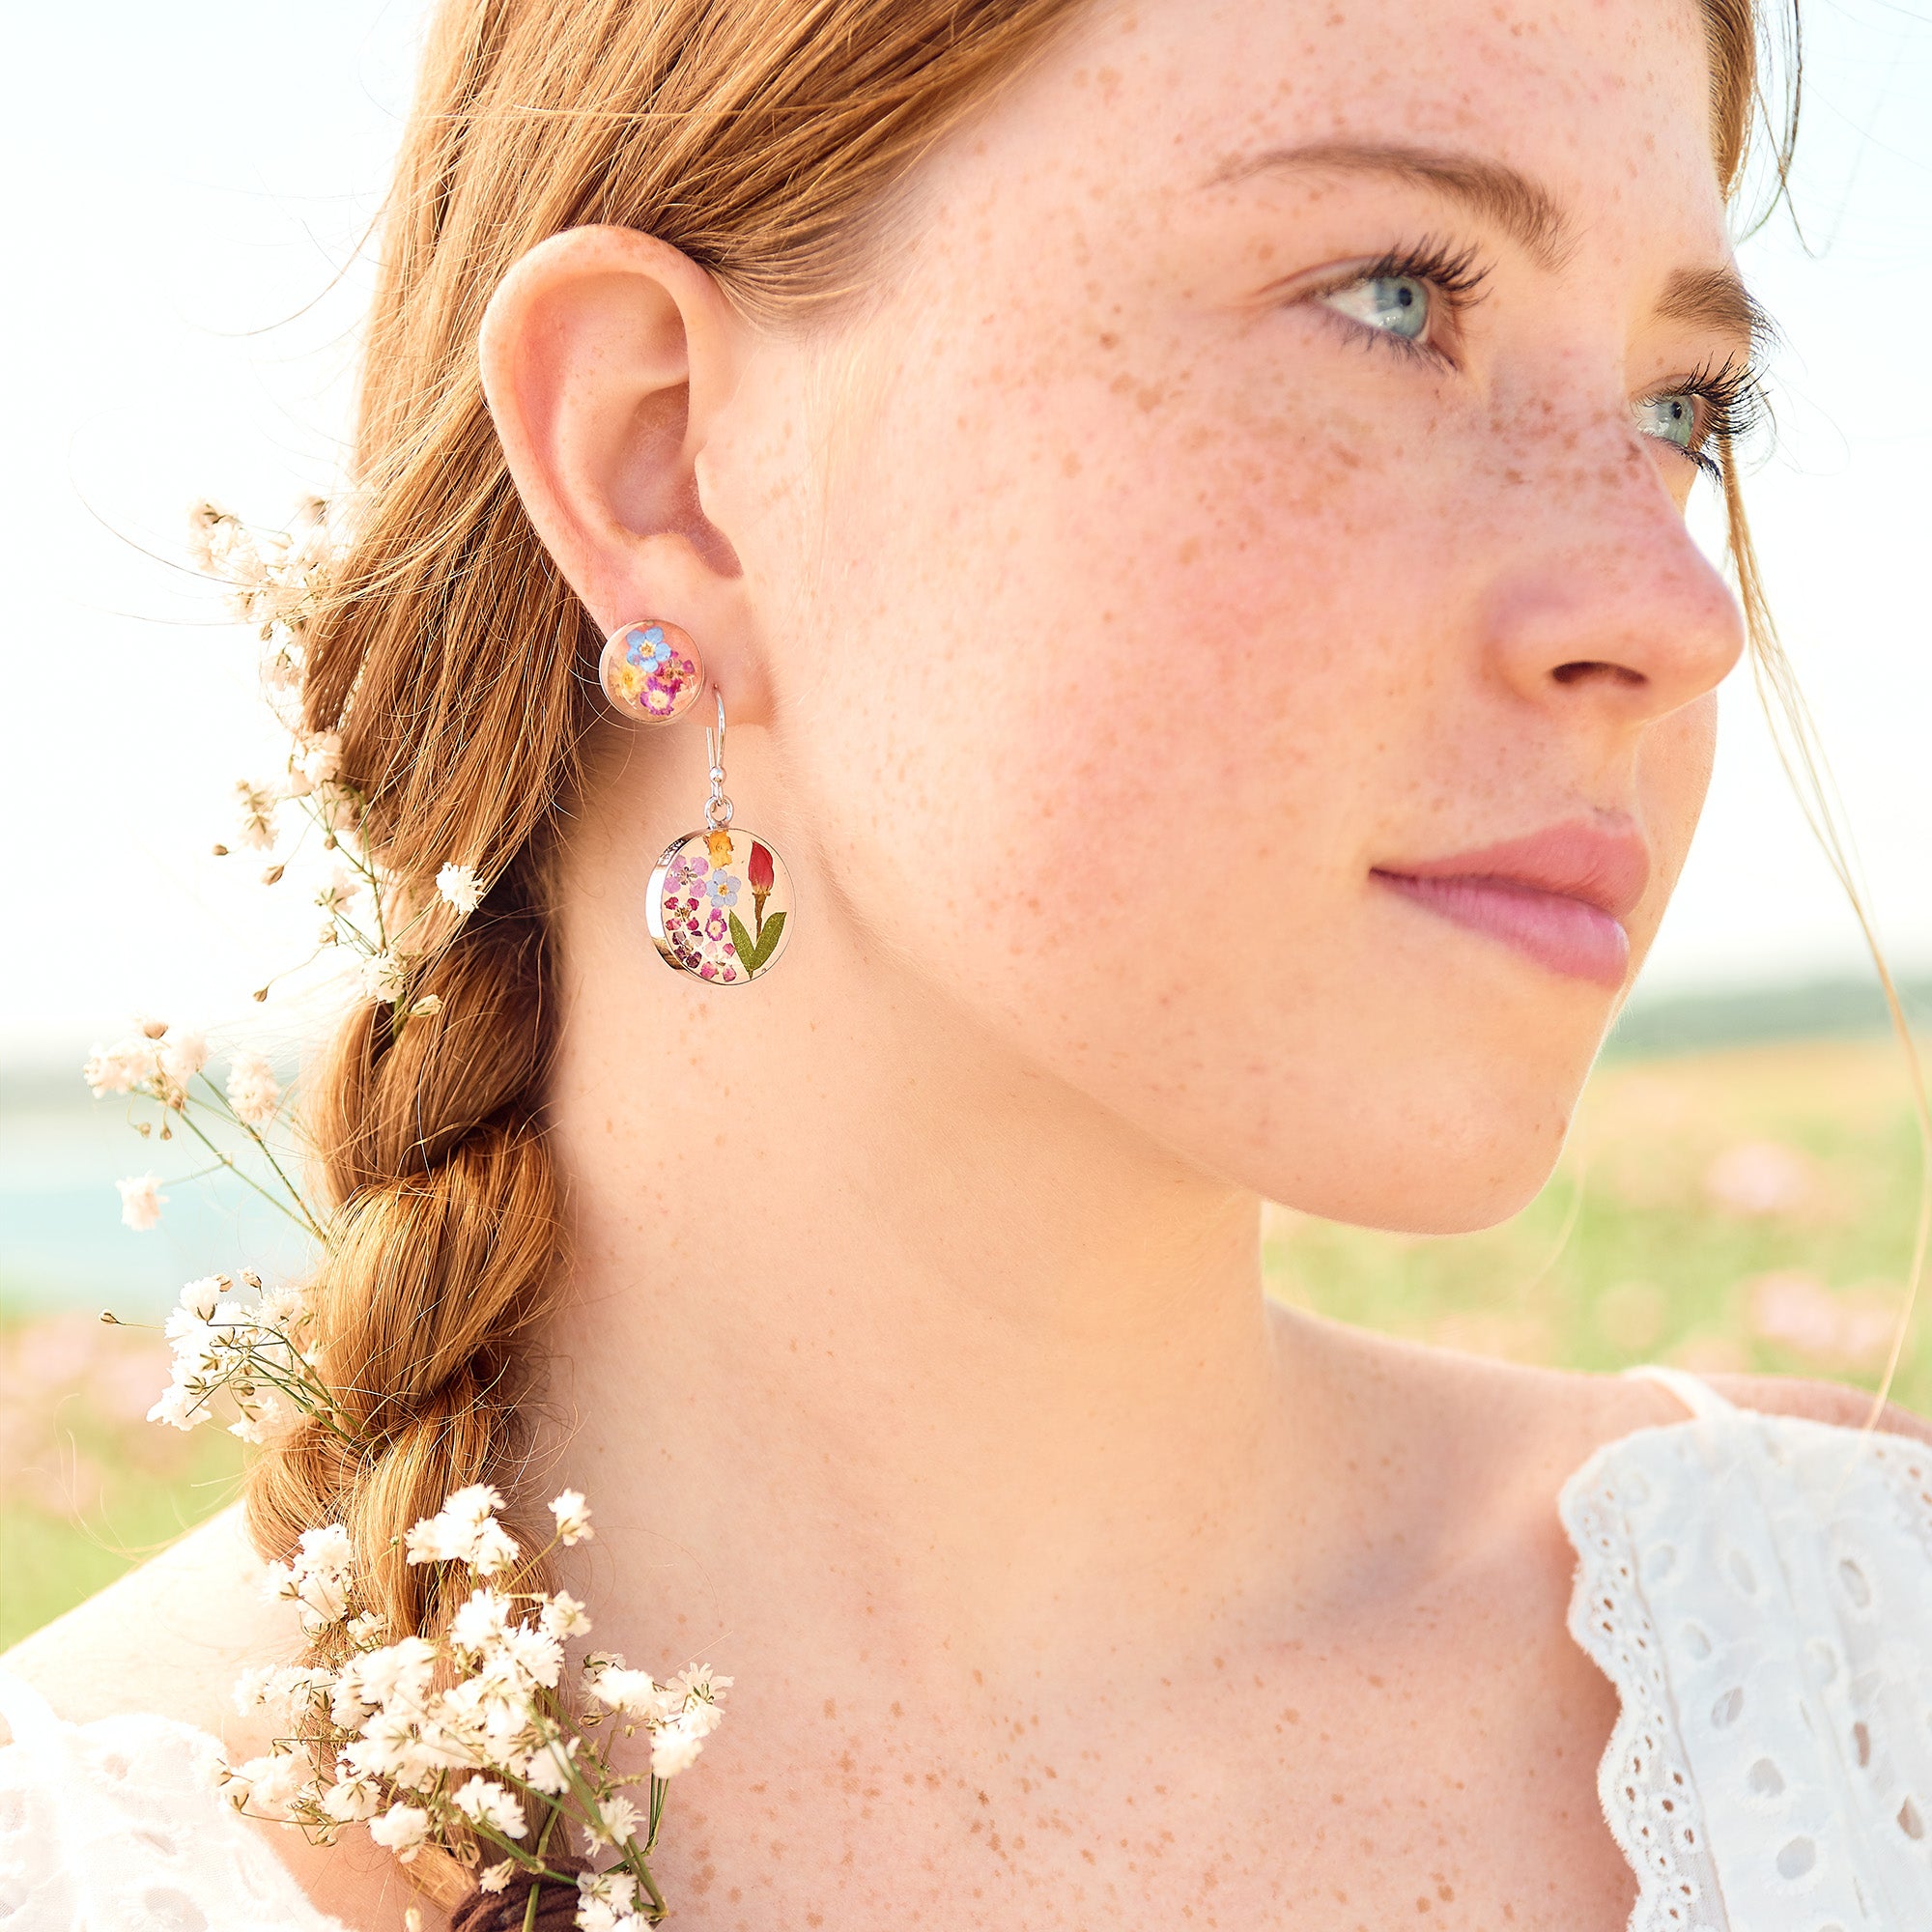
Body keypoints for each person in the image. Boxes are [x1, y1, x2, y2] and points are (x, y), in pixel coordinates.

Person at [5, 0, 1930, 1926]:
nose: (1674, 614)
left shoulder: (1850, 1683)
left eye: (1686, 403)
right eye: (1389, 299)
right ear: (665, 461)